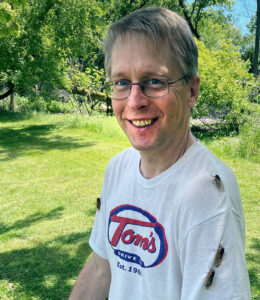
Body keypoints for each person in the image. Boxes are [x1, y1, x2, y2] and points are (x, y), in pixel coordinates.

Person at [69, 7, 251, 300]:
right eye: (121, 82)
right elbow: (101, 268)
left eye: (155, 81)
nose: (134, 100)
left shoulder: (207, 193)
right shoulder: (118, 168)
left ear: (192, 92)